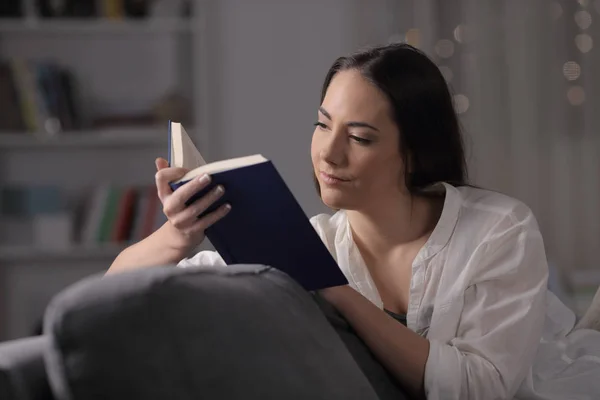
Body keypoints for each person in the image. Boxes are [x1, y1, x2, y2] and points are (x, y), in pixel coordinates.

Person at [108, 43, 600, 399]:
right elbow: (113, 296)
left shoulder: (500, 228)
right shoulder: (313, 240)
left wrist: (335, 291)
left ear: (412, 153)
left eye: (360, 138)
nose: (329, 152)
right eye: (323, 124)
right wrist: (178, 233)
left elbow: (478, 389)